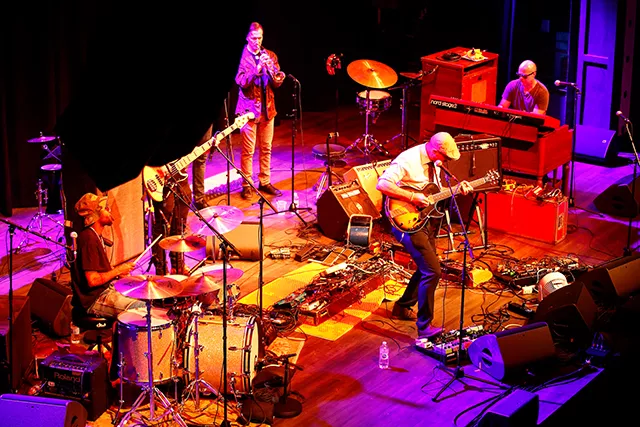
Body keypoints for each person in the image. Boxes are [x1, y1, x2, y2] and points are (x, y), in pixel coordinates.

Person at [376, 132, 473, 338]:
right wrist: (412, 196)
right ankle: (424, 327)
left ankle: (403, 306)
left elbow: (431, 192)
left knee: (426, 267)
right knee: (433, 271)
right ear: (435, 150)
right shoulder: (407, 160)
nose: (446, 161)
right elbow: (382, 184)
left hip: (425, 220)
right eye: (445, 157)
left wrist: (457, 189)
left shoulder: (434, 162)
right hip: (405, 221)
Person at [71, 193, 144, 319]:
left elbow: (99, 270)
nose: (109, 210)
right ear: (96, 215)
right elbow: (93, 280)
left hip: (105, 289)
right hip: (94, 299)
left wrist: (117, 273)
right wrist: (118, 270)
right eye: (105, 208)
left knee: (144, 294)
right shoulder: (89, 239)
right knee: (141, 308)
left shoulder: (96, 236)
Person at [235, 21, 286, 200]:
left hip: (268, 109)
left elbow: (277, 83)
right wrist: (257, 69)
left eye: (260, 38)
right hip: (248, 110)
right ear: (247, 37)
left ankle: (265, 181)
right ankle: (247, 185)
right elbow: (241, 82)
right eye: (254, 38)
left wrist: (272, 71)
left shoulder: (270, 55)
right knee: (248, 151)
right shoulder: (241, 57)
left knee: (266, 148)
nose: (257, 41)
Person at [151, 174, 192, 275]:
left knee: (180, 225)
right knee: (162, 228)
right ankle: (161, 270)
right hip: (162, 182)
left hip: (181, 180)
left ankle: (177, 265)